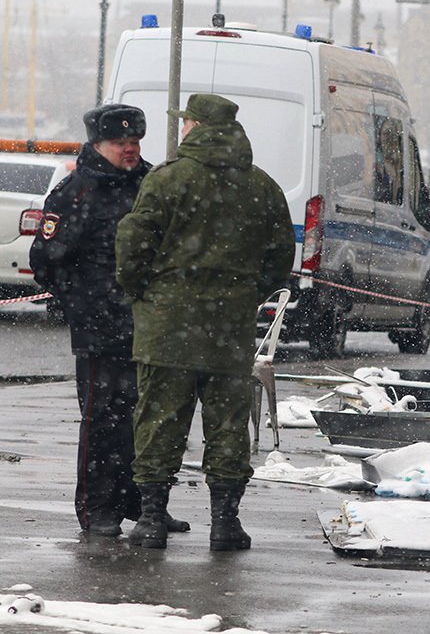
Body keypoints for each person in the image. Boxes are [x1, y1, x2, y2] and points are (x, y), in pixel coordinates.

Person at [116, 93, 294, 551]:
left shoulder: (167, 180)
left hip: (166, 325)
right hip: (228, 328)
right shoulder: (262, 186)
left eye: (184, 123)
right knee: (229, 425)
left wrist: (141, 293)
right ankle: (225, 522)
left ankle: (152, 518)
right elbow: (280, 258)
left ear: (193, 126)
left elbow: (134, 243)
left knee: (158, 420)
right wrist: (245, 296)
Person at [29, 104, 188, 538]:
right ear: (98, 144)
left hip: (150, 324)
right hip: (100, 327)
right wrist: (81, 301)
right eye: (120, 143)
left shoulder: (153, 183)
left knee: (149, 419)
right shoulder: (75, 191)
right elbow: (46, 258)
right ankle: (98, 508)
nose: (130, 149)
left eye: (134, 141)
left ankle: (145, 505)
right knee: (103, 422)